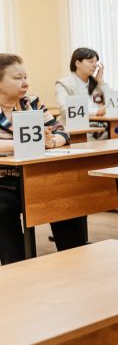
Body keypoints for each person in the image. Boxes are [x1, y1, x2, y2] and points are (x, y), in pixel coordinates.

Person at [0, 54, 86, 265]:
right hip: (3, 183)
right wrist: (27, 143)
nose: (26, 83)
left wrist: (51, 142)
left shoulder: (33, 103)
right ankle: (19, 268)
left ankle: (74, 262)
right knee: (3, 208)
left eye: (26, 77)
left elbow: (62, 133)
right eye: (18, 78)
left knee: (63, 198)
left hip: (36, 177)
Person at [55, 47, 110, 117]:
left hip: (101, 124)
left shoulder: (97, 84)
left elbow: (114, 104)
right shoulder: (63, 84)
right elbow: (65, 110)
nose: (95, 65)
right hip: (75, 126)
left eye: (96, 62)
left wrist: (100, 81)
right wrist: (97, 111)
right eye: (90, 61)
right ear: (77, 63)